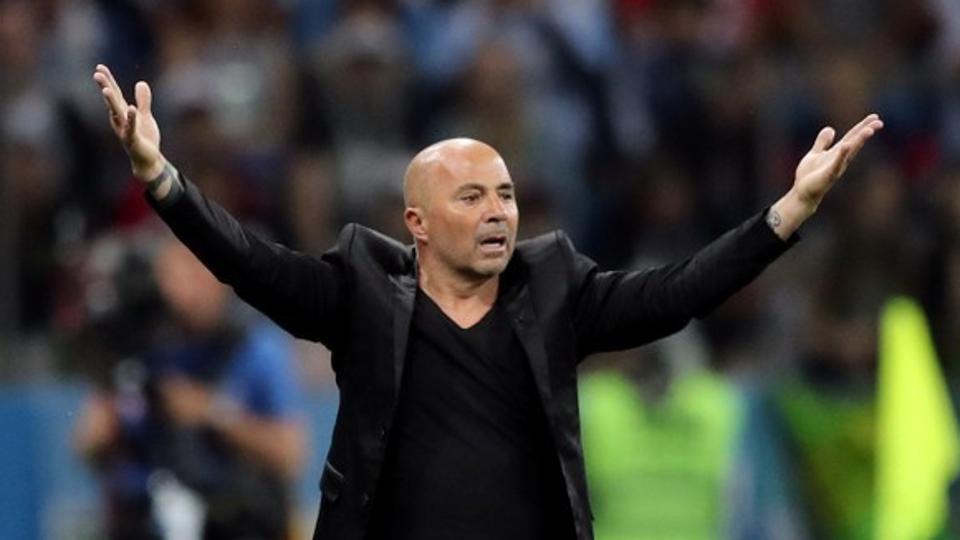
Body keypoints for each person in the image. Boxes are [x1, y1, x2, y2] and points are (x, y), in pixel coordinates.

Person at [92, 63, 882, 540]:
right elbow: (249, 262)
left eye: (505, 194)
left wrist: (787, 214)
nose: (498, 212)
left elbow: (680, 292)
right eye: (471, 198)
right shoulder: (361, 295)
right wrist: (163, 181)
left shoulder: (557, 292)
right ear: (418, 224)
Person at [74, 235, 306, 540]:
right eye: (171, 274)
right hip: (151, 519)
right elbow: (89, 442)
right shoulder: (142, 349)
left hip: (237, 520)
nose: (180, 288)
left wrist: (212, 414)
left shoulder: (255, 348)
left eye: (194, 273)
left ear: (221, 280)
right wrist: (105, 430)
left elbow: (291, 454)